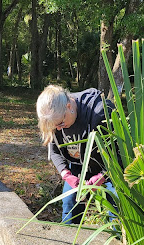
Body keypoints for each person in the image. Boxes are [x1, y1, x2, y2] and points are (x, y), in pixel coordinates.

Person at [36, 85, 115, 224]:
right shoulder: (56, 117)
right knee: (69, 203)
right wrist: (66, 174)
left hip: (110, 168)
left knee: (116, 207)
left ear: (69, 106)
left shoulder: (100, 111)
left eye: (61, 123)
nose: (59, 129)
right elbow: (54, 150)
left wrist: (103, 175)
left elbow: (120, 153)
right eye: (55, 127)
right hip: (78, 169)